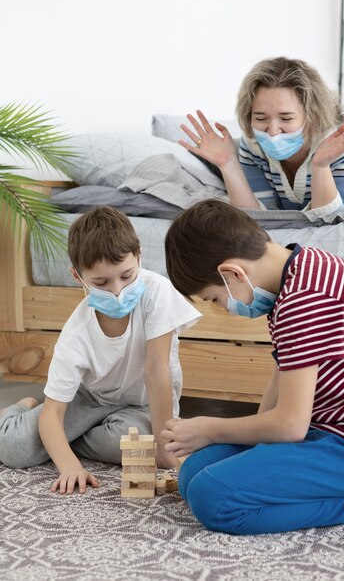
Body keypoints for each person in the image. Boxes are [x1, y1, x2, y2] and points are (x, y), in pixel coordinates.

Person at [161, 198, 344, 535]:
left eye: (215, 299)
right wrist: (253, 444)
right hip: (334, 426)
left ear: (232, 273)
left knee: (213, 497)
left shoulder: (305, 300)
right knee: (194, 473)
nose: (224, 308)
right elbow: (282, 379)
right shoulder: (299, 268)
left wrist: (210, 428)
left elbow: (291, 426)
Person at [0, 206, 201, 493]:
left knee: (141, 443)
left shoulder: (157, 292)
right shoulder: (76, 332)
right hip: (89, 399)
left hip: (142, 405)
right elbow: (54, 414)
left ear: (139, 258)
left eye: (127, 276)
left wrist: (165, 446)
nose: (118, 291)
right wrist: (69, 465)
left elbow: (156, 372)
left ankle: (63, 437)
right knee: (14, 448)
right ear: (77, 276)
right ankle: (21, 408)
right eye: (101, 283)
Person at [179, 57, 344, 215]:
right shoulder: (252, 141)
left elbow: (333, 218)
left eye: (286, 118)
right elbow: (262, 217)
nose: (272, 131)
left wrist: (321, 167)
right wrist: (229, 164)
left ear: (311, 114)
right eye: (261, 118)